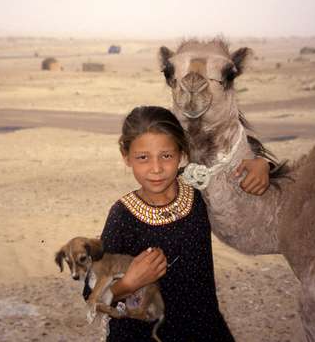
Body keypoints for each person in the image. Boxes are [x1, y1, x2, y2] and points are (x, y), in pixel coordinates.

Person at [95, 105, 271, 341]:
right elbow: (93, 298)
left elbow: (235, 165)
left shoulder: (197, 184)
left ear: (182, 154)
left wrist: (262, 165)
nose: (156, 169)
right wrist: (128, 283)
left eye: (166, 156)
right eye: (143, 158)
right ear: (126, 156)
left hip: (205, 329)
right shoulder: (122, 216)